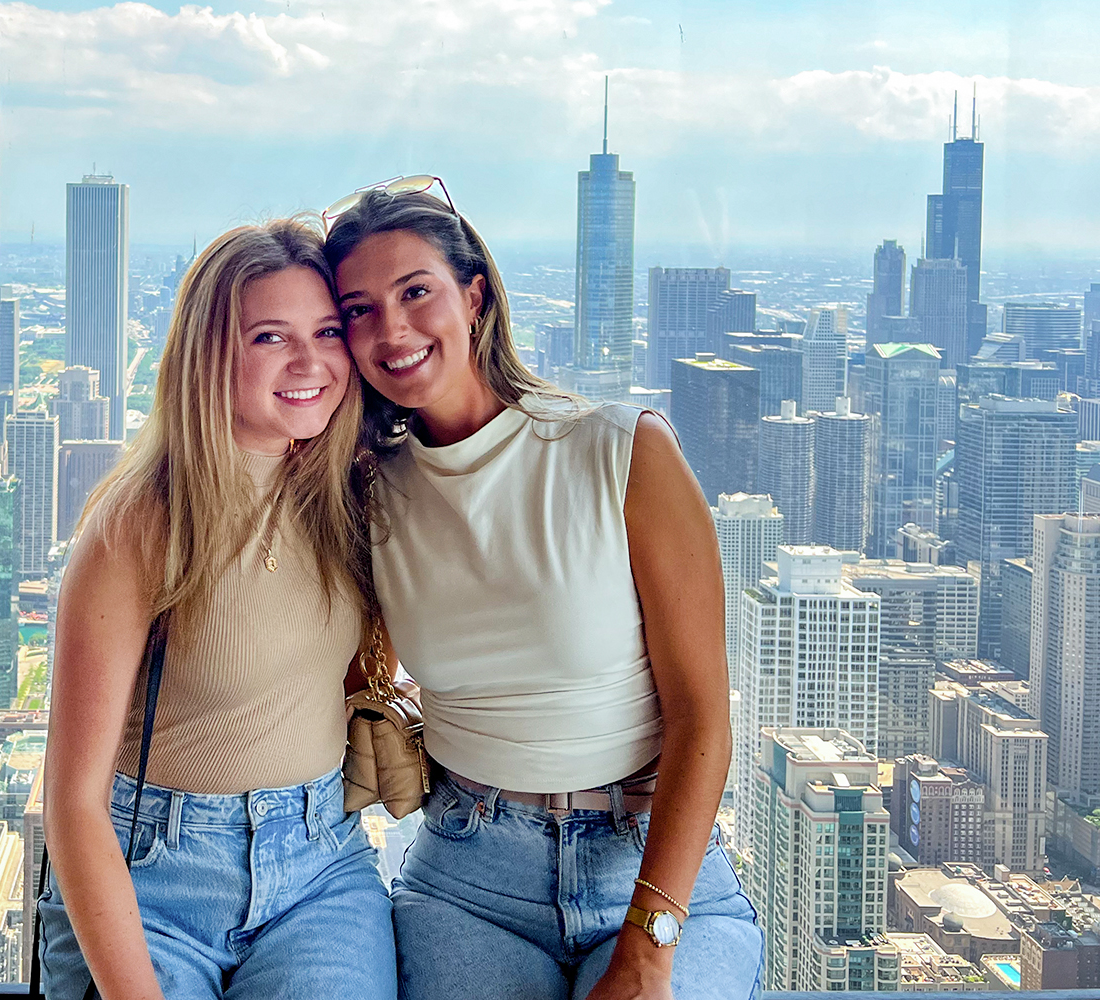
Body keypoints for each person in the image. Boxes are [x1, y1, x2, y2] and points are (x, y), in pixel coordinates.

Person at [323, 180, 764, 1000]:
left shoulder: (624, 453)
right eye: (358, 309)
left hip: (652, 869)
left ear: (475, 298)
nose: (391, 329)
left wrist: (649, 945)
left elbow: (703, 716)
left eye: (416, 291)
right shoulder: (366, 495)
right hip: (467, 871)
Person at [38, 217, 396, 1000]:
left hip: (319, 869)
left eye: (328, 331)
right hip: (153, 877)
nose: (310, 362)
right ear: (210, 356)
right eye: (271, 337)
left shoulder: (351, 494)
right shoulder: (141, 520)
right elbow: (71, 801)